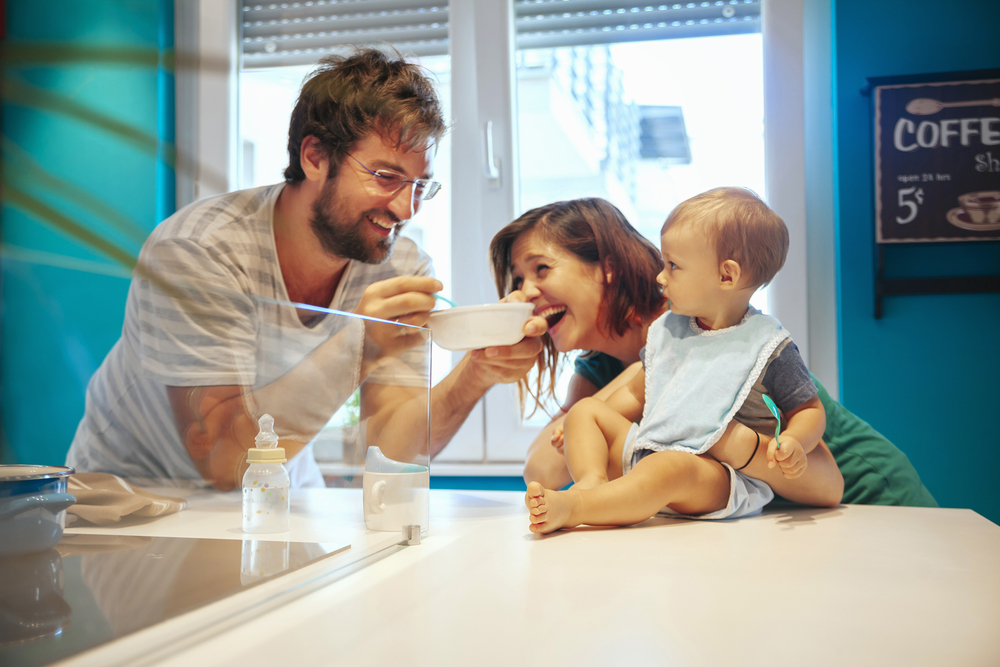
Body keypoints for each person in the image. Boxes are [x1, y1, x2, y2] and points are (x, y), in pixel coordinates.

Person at [67, 48, 545, 490]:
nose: (407, 208)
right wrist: (361, 347)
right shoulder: (198, 253)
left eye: (421, 185)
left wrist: (475, 375)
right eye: (385, 177)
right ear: (315, 156)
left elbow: (387, 454)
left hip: (278, 489)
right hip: (132, 503)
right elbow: (222, 460)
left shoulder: (398, 263)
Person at [490, 197, 937, 514]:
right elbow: (544, 468)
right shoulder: (605, 362)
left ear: (606, 266)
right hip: (774, 515)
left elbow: (821, 468)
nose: (525, 293)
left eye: (541, 269)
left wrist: (643, 371)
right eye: (517, 279)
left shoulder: (714, 326)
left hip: (863, 492)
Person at [521, 187, 826, 531]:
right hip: (653, 449)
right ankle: (592, 484)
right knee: (584, 410)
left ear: (727, 276)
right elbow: (638, 393)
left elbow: (809, 410)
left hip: (717, 475)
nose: (660, 276)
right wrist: (578, 423)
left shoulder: (766, 345)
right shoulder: (670, 331)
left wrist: (795, 443)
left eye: (673, 266)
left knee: (671, 468)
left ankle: (578, 507)